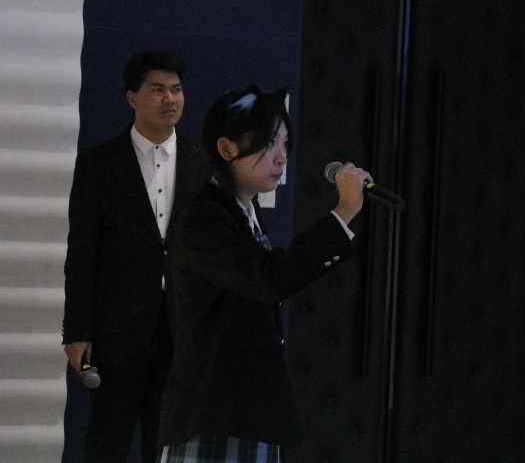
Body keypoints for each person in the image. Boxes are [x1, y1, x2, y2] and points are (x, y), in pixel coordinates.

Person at [156, 85, 370, 462]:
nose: (281, 157)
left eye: (284, 143)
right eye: (269, 143)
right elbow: (269, 278)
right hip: (216, 414)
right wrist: (344, 211)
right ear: (226, 149)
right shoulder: (205, 219)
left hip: (245, 413)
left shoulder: (245, 215)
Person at [62, 47, 209, 463]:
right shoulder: (99, 164)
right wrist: (76, 330)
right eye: (157, 89)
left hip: (182, 329)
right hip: (116, 330)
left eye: (176, 89)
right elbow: (83, 251)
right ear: (132, 98)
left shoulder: (203, 165)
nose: (170, 99)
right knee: (106, 441)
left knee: (167, 445)